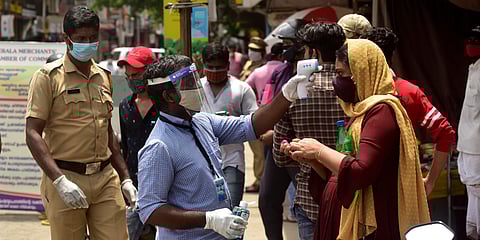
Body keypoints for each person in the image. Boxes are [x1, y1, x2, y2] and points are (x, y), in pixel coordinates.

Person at [137, 54, 307, 239]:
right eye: (188, 84)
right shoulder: (159, 146)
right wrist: (208, 219)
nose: (197, 87)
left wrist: (286, 96)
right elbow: (150, 210)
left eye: (194, 80)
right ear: (169, 95)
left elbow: (250, 125)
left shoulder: (200, 121)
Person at [280, 39, 431, 239]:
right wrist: (313, 160)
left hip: (371, 224)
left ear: (362, 73)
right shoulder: (359, 111)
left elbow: (362, 170)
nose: (337, 80)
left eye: (342, 74)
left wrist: (319, 150)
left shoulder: (381, 112)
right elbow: (341, 170)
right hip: (340, 215)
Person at [25, 6, 136, 240]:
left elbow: (107, 132)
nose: (88, 43)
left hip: (105, 177)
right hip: (66, 176)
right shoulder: (48, 77)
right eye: (81, 39)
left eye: (92, 38)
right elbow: (32, 133)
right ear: (67, 40)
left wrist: (125, 178)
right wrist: (59, 180)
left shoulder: (104, 77)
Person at [361, 27, 456, 196]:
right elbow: (445, 133)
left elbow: (445, 133)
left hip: (367, 187)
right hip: (405, 188)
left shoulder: (358, 93)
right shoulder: (409, 92)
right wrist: (430, 181)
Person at [273, 23, 346, 240]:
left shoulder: (295, 90)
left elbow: (279, 155)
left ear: (312, 52)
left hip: (309, 196)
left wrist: (303, 154)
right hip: (350, 194)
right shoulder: (356, 88)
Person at [200, 42, 258, 207]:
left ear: (228, 65)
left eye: (219, 67)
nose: (215, 72)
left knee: (232, 214)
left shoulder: (242, 89)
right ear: (203, 66)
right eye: (210, 67)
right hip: (202, 162)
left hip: (232, 161)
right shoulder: (195, 88)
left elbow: (254, 120)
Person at [117, 47, 156, 240]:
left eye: (137, 74)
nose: (132, 79)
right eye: (128, 76)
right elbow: (125, 145)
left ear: (151, 71)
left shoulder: (166, 105)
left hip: (165, 187)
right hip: (134, 187)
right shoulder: (125, 106)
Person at [457, 25, 480, 240]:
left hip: (477, 148)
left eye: (475, 40)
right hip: (469, 145)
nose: (470, 45)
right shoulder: (474, 68)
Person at [239, 36, 269, 193]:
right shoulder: (249, 65)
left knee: (259, 151)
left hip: (259, 112)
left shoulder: (263, 69)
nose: (252, 53)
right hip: (248, 113)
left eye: (256, 50)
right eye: (251, 49)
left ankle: (260, 181)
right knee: (255, 149)